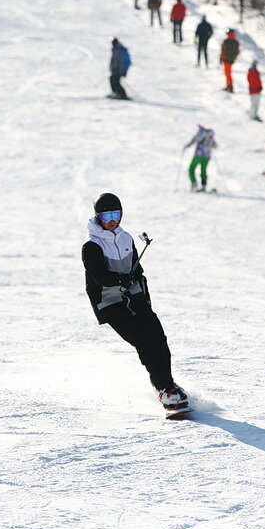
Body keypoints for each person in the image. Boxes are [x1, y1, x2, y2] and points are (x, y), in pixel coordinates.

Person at [82, 193, 187, 411]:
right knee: (143, 341)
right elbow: (99, 277)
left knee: (158, 336)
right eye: (106, 215)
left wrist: (140, 291)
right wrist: (121, 279)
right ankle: (163, 389)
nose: (112, 220)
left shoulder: (126, 238)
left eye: (116, 214)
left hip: (133, 296)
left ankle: (169, 384)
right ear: (98, 216)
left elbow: (136, 270)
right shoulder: (91, 245)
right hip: (110, 303)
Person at [183, 125, 216, 192]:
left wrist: (186, 147)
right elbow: (215, 145)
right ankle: (203, 186)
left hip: (198, 154)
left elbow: (194, 140)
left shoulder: (201, 133)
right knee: (203, 170)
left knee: (191, 169)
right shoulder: (210, 134)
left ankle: (194, 184)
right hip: (207, 156)